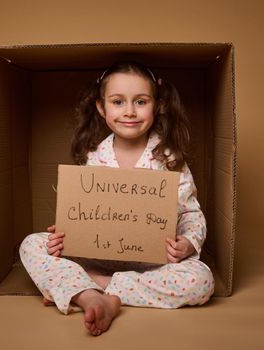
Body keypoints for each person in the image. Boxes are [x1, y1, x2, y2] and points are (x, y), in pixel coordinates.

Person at [19, 61, 215, 336]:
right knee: (32, 245)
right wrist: (64, 235)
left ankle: (95, 289)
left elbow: (191, 215)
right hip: (96, 257)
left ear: (157, 105)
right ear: (102, 108)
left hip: (154, 263)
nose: (130, 112)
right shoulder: (93, 157)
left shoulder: (169, 159)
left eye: (141, 101)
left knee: (201, 281)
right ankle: (92, 294)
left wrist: (187, 242)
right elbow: (82, 213)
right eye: (118, 102)